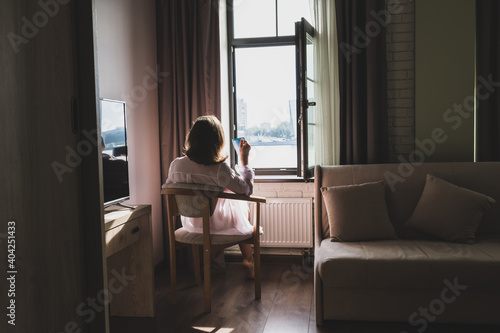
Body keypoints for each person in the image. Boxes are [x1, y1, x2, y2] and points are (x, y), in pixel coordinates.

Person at [165, 115, 256, 278]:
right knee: (243, 205)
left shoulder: (176, 165)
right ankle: (248, 258)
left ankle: (205, 268)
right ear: (218, 141)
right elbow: (246, 190)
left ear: (191, 138)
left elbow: (168, 188)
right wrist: (244, 160)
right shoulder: (220, 169)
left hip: (190, 224)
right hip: (217, 225)